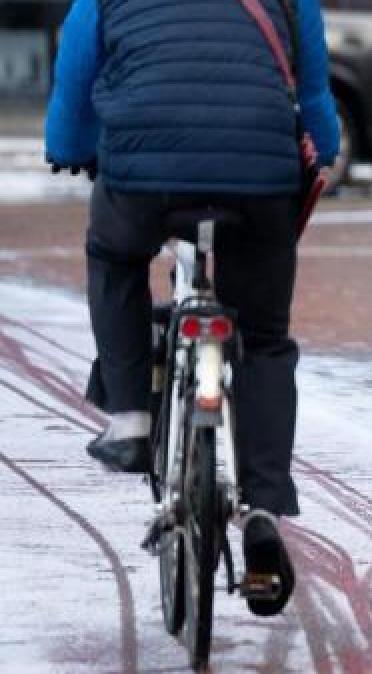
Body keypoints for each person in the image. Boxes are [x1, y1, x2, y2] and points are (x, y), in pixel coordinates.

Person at [45, 0, 339, 616]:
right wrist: (327, 151)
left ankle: (128, 417)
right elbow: (312, 94)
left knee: (115, 257)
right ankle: (261, 505)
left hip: (146, 176)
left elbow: (75, 77)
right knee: (260, 339)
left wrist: (68, 145)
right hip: (259, 178)